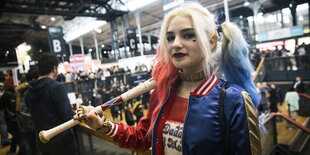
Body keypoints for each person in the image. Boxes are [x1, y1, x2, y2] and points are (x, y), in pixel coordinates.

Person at [76, 2, 261, 154]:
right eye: (170, 38)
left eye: (188, 35)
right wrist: (102, 125)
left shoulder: (233, 100)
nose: (176, 44)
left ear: (212, 41)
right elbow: (142, 138)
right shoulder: (162, 91)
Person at [25, 53, 79, 155]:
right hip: (61, 142)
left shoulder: (29, 91)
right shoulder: (56, 87)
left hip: (42, 141)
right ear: (54, 68)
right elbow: (67, 116)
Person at [0, 73, 28, 155]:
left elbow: (0, 107)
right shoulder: (19, 92)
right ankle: (12, 150)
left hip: (11, 120)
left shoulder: (6, 95)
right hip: (20, 118)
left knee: (21, 140)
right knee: (18, 136)